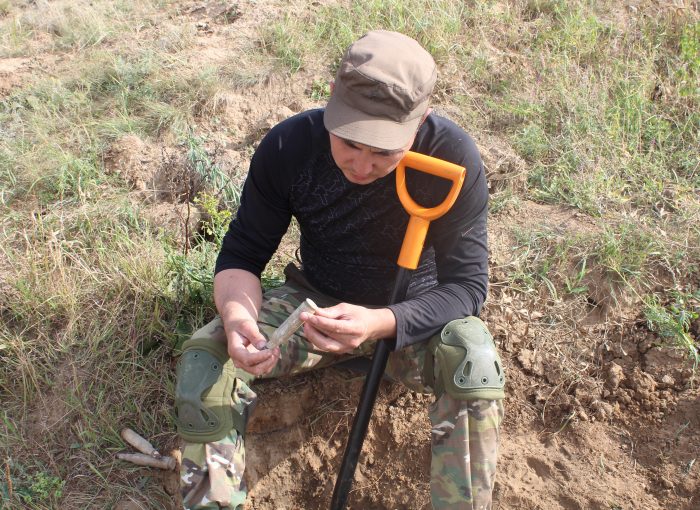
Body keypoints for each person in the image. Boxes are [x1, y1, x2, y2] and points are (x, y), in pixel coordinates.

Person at [174, 30, 505, 510]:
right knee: (207, 359)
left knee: (472, 361)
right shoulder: (289, 147)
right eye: (350, 141)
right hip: (316, 310)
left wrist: (379, 323)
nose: (362, 163)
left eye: (385, 150)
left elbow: (467, 286)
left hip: (413, 324)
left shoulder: (451, 158)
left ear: (420, 123)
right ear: (332, 101)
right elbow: (243, 254)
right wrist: (237, 319)